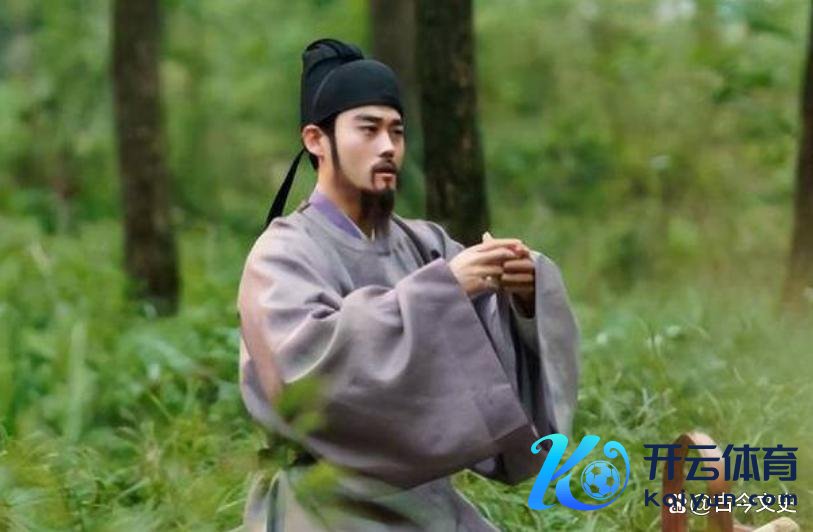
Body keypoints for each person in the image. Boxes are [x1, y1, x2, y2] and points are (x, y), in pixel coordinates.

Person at [237, 38, 580, 531]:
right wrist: (443, 291)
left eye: (396, 132)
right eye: (368, 129)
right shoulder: (282, 254)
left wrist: (522, 297)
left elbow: (485, 354)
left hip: (425, 502)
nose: (387, 148)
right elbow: (305, 378)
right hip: (321, 503)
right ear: (316, 139)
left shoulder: (424, 243)